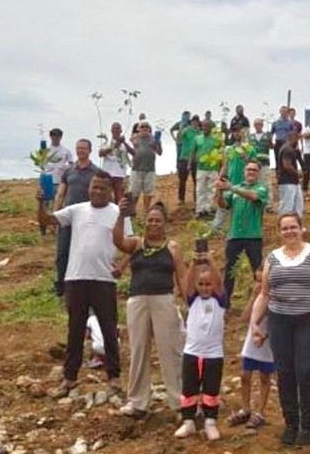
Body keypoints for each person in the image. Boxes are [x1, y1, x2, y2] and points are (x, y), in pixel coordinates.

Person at [38, 171, 127, 399]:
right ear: (89, 188)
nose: (97, 191)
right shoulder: (77, 210)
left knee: (109, 329)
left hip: (104, 280)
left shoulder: (118, 213)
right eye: (94, 187)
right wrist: (40, 203)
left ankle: (114, 377)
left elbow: (131, 244)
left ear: (110, 190)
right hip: (76, 278)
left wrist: (122, 267)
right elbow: (47, 220)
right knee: (75, 330)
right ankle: (69, 378)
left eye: (102, 188)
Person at [253, 214, 310, 446]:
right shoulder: (272, 257)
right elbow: (264, 293)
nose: (289, 231)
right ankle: (291, 423)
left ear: (302, 228)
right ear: (279, 231)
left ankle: (308, 425)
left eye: (293, 227)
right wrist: (254, 322)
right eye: (285, 228)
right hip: (279, 320)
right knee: (284, 372)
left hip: (307, 319)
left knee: (306, 370)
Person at [111, 201, 187, 419]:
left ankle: (180, 401)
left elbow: (181, 275)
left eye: (158, 220)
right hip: (138, 301)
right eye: (150, 220)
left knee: (170, 350)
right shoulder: (136, 244)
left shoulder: (172, 247)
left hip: (164, 300)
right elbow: (117, 241)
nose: (153, 224)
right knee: (138, 350)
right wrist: (121, 215)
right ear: (145, 222)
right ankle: (138, 402)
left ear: (165, 224)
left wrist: (189, 300)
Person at [174, 252, 227, 441]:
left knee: (211, 388)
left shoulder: (220, 301)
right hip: (192, 353)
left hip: (213, 354)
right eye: (201, 284)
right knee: (189, 387)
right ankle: (188, 421)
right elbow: (186, 284)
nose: (205, 288)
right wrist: (194, 264)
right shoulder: (193, 300)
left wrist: (211, 262)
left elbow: (220, 282)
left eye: (208, 284)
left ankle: (210, 421)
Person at [215, 161, 268, 306]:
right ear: (244, 172)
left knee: (257, 271)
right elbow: (223, 205)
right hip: (234, 236)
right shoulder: (235, 189)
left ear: (258, 173)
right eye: (248, 169)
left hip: (253, 236)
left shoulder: (262, 188)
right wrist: (219, 191)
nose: (251, 172)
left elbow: (253, 196)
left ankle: (263, 304)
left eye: (254, 170)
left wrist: (231, 187)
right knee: (229, 271)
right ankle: (225, 305)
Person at [52, 139, 101, 297]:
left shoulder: (96, 172)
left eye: (84, 148)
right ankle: (61, 286)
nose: (81, 151)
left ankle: (83, 288)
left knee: (84, 253)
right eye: (78, 148)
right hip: (68, 217)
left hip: (87, 219)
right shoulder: (68, 171)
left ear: (90, 150)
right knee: (62, 253)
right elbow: (60, 194)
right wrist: (55, 215)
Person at [228, 273, 274, 430]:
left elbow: (275, 323)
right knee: (244, 375)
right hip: (252, 342)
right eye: (258, 280)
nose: (260, 284)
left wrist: (264, 336)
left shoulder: (273, 300)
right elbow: (245, 318)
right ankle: (246, 408)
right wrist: (253, 297)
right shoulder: (257, 298)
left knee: (264, 377)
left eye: (263, 281)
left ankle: (260, 411)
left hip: (266, 342)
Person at [129, 122, 163, 219]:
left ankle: (146, 213)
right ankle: (132, 213)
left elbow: (160, 152)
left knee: (148, 193)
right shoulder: (135, 138)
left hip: (150, 169)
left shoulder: (154, 139)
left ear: (149, 129)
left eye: (147, 126)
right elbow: (132, 142)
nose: (144, 128)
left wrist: (157, 144)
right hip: (136, 168)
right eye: (142, 127)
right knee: (134, 192)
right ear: (138, 129)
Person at [193, 120, 222, 219]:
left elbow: (220, 152)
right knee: (200, 189)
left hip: (213, 168)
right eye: (203, 126)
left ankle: (208, 210)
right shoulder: (197, 138)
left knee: (212, 189)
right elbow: (193, 151)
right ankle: (199, 210)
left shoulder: (216, 140)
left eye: (207, 126)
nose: (205, 128)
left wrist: (221, 166)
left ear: (211, 128)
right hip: (201, 168)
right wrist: (189, 164)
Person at [99, 122, 133, 203]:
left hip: (120, 174)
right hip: (107, 174)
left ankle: (120, 213)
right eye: (114, 128)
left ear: (121, 130)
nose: (116, 130)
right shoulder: (106, 142)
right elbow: (100, 154)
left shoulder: (124, 144)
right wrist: (114, 146)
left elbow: (133, 153)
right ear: (111, 130)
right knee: (106, 195)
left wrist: (123, 142)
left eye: (118, 128)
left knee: (119, 196)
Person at [173, 114, 200, 206]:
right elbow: (178, 139)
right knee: (182, 180)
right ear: (191, 122)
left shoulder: (200, 133)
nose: (195, 123)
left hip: (196, 160)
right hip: (184, 158)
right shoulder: (186, 130)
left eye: (197, 121)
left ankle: (196, 200)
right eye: (193, 121)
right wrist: (181, 128)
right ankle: (181, 199)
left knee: (196, 180)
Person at [44, 127, 75, 206]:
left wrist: (65, 168)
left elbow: (72, 164)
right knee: (46, 204)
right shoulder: (45, 150)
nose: (56, 138)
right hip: (47, 180)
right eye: (54, 136)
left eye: (58, 136)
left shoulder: (65, 151)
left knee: (58, 203)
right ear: (50, 137)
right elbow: (40, 163)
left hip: (60, 181)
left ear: (61, 137)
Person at [277, 131, 304, 217]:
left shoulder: (288, 149)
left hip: (292, 182)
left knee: (297, 205)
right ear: (293, 138)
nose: (298, 142)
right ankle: (284, 225)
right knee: (287, 206)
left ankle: (296, 225)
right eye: (297, 139)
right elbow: (287, 165)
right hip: (287, 181)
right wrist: (298, 173)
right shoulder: (287, 149)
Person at [249, 118, 274, 202]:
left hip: (265, 163)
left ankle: (268, 203)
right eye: (256, 124)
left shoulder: (267, 136)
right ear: (254, 126)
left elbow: (272, 147)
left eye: (259, 124)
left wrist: (270, 139)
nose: (257, 126)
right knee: (254, 182)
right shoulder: (250, 137)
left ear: (262, 125)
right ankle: (256, 200)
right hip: (254, 164)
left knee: (266, 183)